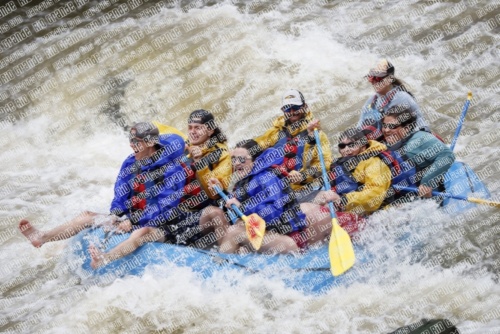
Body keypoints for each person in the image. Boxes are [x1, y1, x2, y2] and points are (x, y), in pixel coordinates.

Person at [18, 122, 187, 268]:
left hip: (164, 226)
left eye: (136, 141)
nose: (131, 145)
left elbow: (166, 208)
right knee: (87, 216)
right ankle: (42, 237)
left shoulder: (171, 169)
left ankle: (103, 259)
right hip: (134, 219)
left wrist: (134, 221)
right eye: (130, 140)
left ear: (150, 143)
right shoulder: (130, 162)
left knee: (141, 233)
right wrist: (116, 215)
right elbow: (121, 194)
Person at [217, 140, 312, 254]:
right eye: (234, 159)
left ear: (255, 160)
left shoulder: (267, 177)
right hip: (273, 235)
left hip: (290, 240)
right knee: (239, 225)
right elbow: (237, 202)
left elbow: (274, 214)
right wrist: (221, 190)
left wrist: (243, 206)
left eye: (242, 159)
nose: (236, 163)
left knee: (234, 232)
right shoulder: (248, 178)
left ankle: (218, 265)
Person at [170, 109, 232, 249]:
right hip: (180, 213)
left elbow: (214, 193)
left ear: (210, 131)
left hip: (205, 215)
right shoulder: (182, 148)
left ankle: (226, 255)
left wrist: (200, 162)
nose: (192, 132)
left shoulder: (222, 154)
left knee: (214, 213)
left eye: (198, 128)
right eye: (190, 128)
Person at [255, 89, 332, 199]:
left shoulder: (317, 134)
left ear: (304, 106)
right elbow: (257, 146)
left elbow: (325, 164)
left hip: (303, 189)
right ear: (283, 110)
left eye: (295, 107)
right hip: (276, 188)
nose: (291, 112)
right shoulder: (275, 131)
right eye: (287, 108)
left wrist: (303, 176)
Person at [314, 128, 392, 217]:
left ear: (363, 146)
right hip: (347, 208)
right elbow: (321, 164)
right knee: (317, 200)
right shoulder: (342, 163)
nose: (346, 149)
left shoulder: (375, 163)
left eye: (351, 145)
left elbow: (374, 196)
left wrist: (343, 200)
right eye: (342, 146)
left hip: (372, 213)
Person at [381, 105, 455, 200]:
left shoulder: (420, 139)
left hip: (428, 200)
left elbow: (447, 155)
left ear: (407, 128)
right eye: (384, 125)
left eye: (392, 126)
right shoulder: (388, 145)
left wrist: (427, 183)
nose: (386, 130)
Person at [357, 59, 430, 132]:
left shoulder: (403, 98)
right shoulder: (370, 101)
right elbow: (359, 128)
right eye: (372, 77)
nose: (374, 81)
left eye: (378, 78)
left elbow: (421, 126)